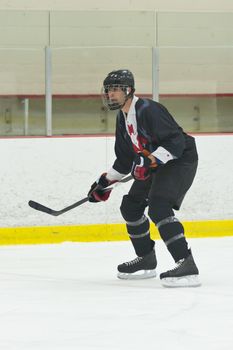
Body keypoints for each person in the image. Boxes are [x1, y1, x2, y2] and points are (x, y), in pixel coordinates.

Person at [87, 69, 201, 288]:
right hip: (155, 162)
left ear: (128, 90)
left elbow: (175, 141)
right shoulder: (122, 118)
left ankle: (186, 263)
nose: (110, 94)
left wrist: (149, 161)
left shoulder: (149, 109)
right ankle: (146, 259)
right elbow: (124, 160)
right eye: (108, 90)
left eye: (115, 90)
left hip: (179, 159)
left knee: (158, 207)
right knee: (130, 206)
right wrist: (104, 184)